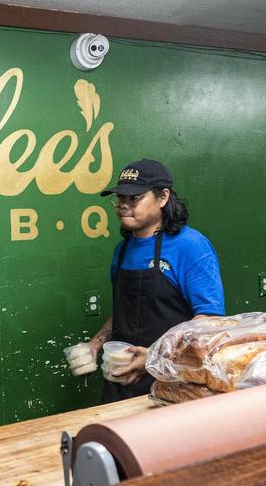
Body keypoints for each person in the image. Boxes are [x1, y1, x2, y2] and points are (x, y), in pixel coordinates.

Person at [85, 159, 224, 402]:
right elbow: (126, 309)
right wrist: (96, 343)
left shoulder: (190, 246)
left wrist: (153, 356)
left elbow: (209, 320)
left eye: (134, 198)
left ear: (162, 198)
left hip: (171, 379)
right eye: (120, 199)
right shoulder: (123, 249)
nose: (123, 206)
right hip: (120, 377)